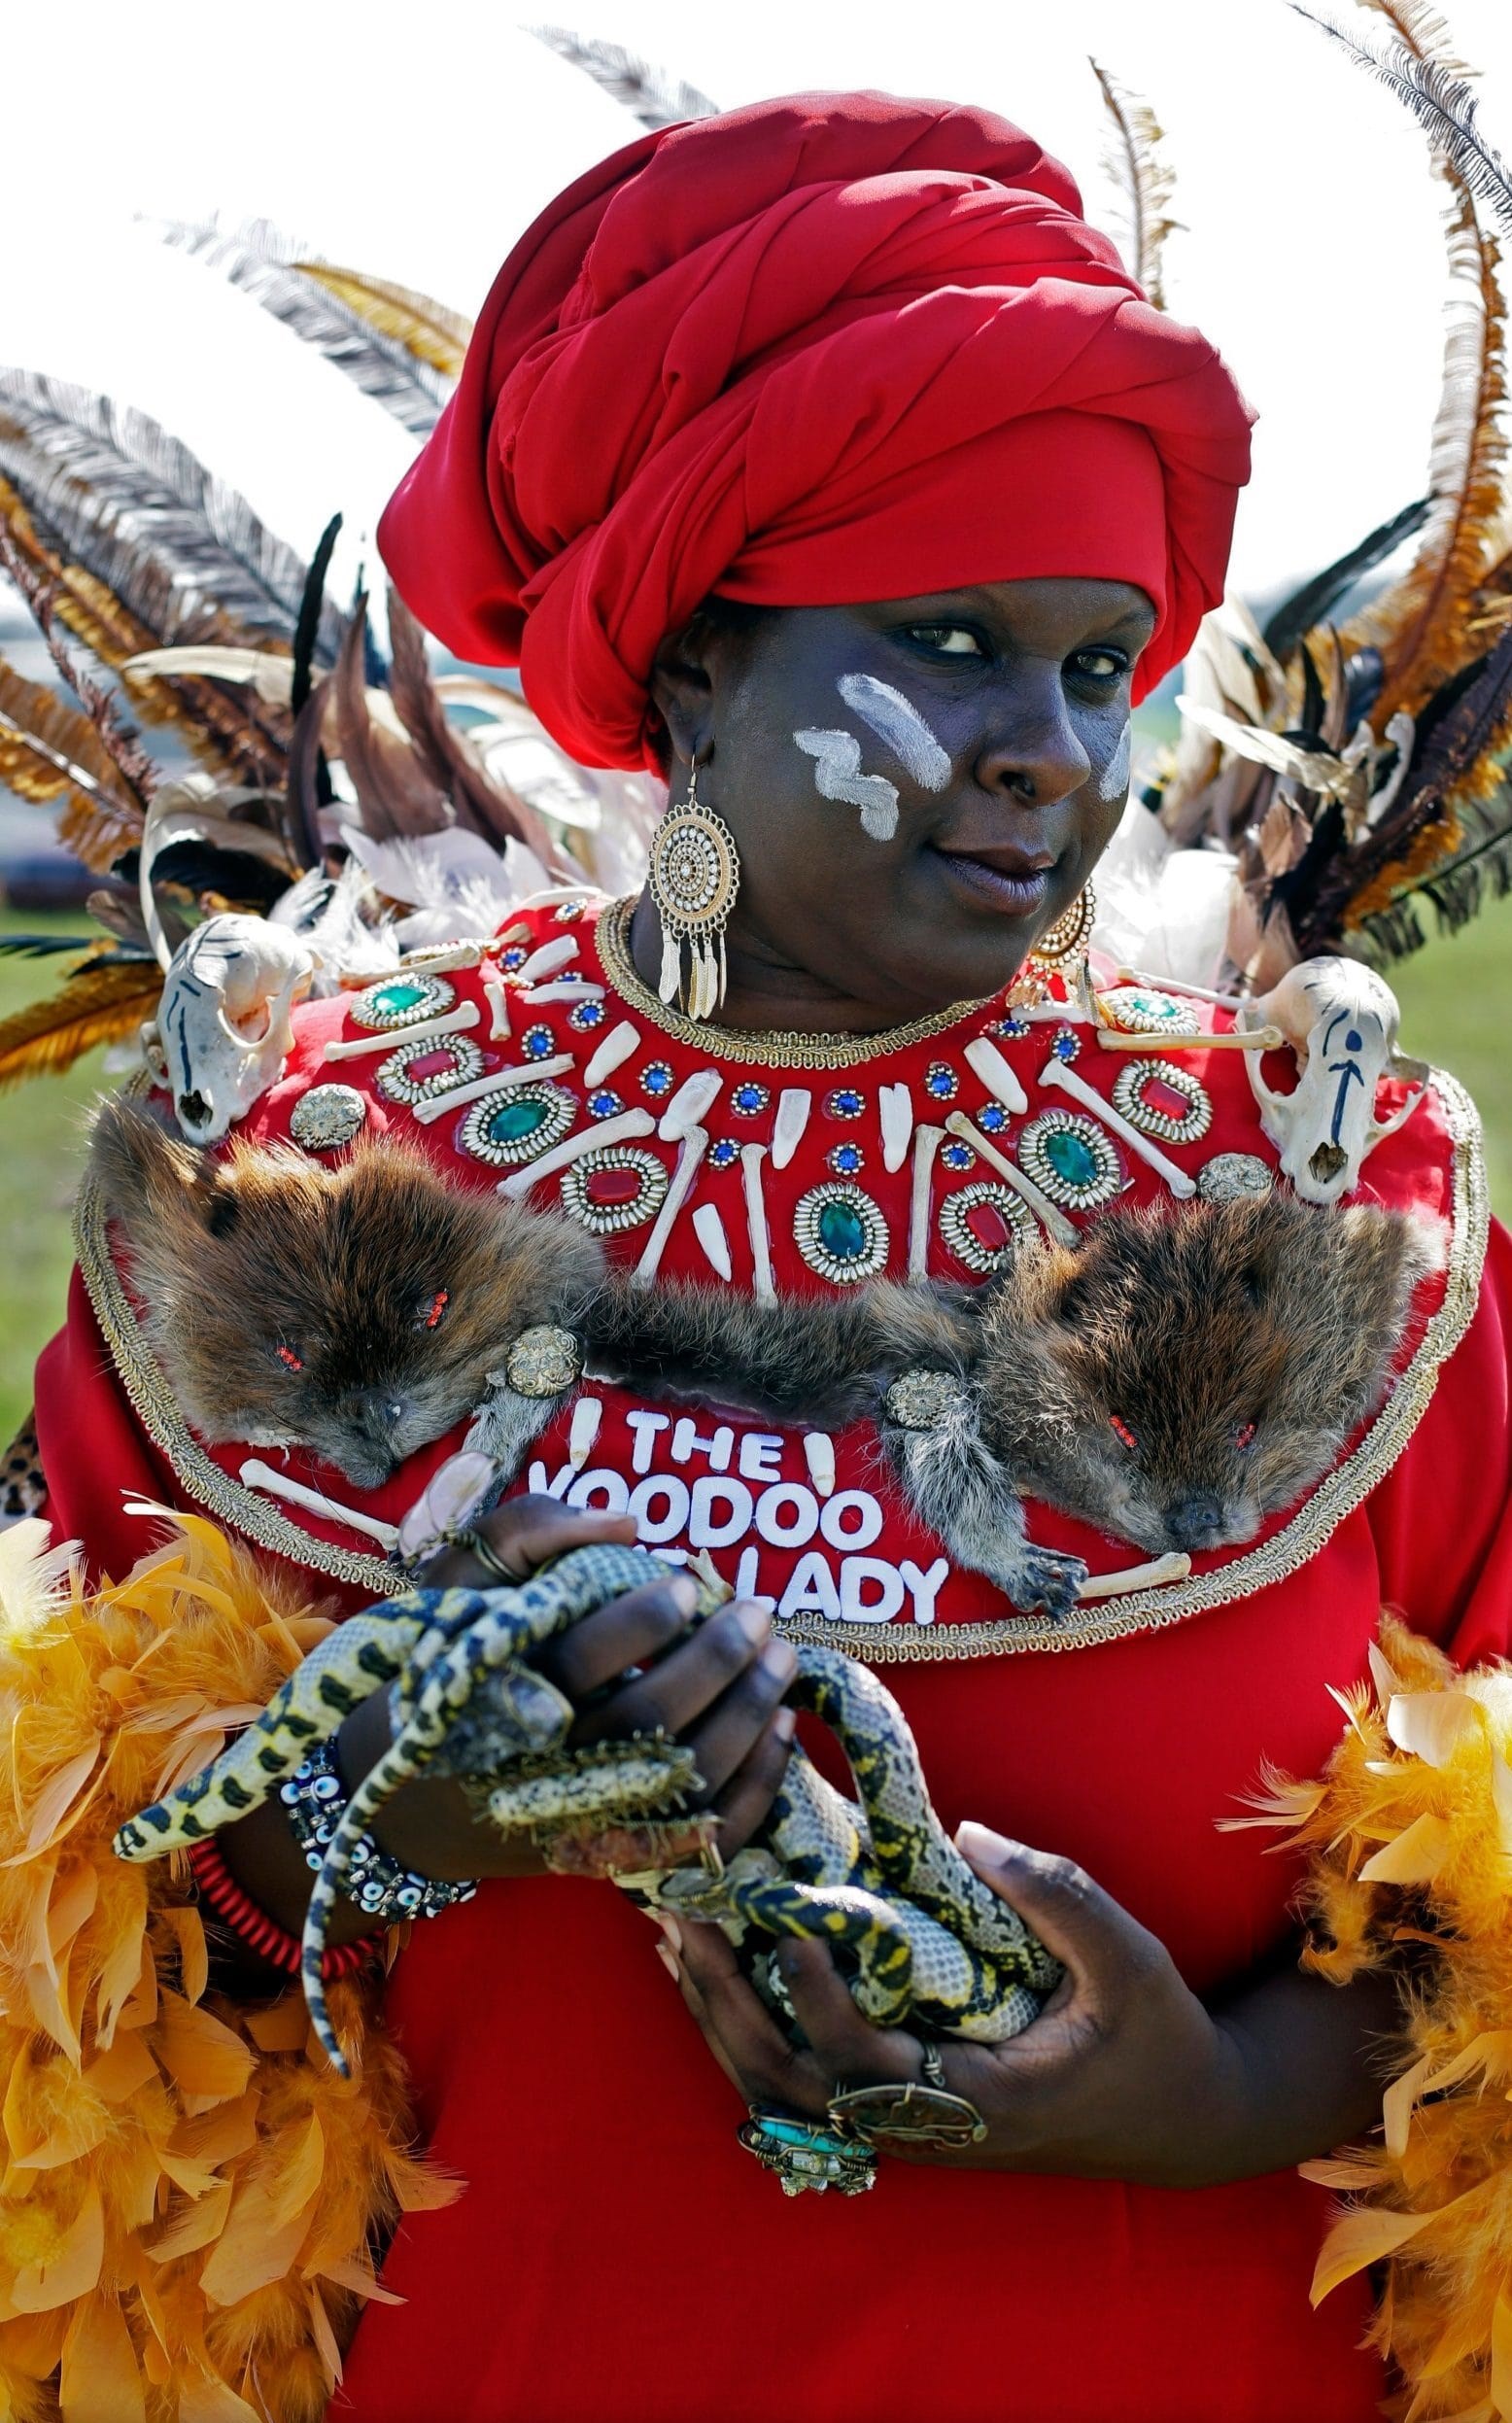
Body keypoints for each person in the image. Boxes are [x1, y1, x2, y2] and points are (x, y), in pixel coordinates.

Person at [18, 89, 1512, 2423]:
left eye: (1100, 662)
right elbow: (67, 1970)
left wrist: (1211, 2095)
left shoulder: (1319, 1215)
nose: (1048, 747)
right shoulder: (288, 1175)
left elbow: (1475, 1931)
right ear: (694, 664)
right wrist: (368, 1818)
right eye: (948, 638)